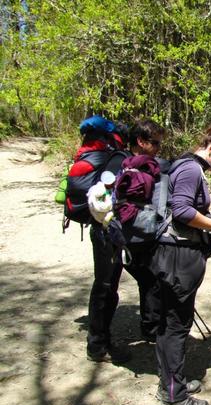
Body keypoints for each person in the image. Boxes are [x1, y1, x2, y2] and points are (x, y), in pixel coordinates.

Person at [150, 120, 211, 405]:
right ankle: (173, 395)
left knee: (171, 321)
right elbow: (183, 210)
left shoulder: (188, 166)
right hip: (178, 256)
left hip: (175, 254)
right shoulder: (190, 169)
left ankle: (171, 383)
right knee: (176, 325)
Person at [86, 124, 131, 363]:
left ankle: (100, 341)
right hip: (106, 232)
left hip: (103, 230)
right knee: (105, 288)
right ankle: (97, 346)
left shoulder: (112, 158)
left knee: (106, 286)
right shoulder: (119, 160)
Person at [124, 119, 166, 342]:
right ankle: (151, 329)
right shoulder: (143, 166)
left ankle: (150, 326)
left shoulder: (123, 163)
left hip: (126, 234)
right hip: (136, 234)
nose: (159, 148)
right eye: (156, 143)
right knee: (151, 280)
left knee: (148, 280)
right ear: (140, 141)